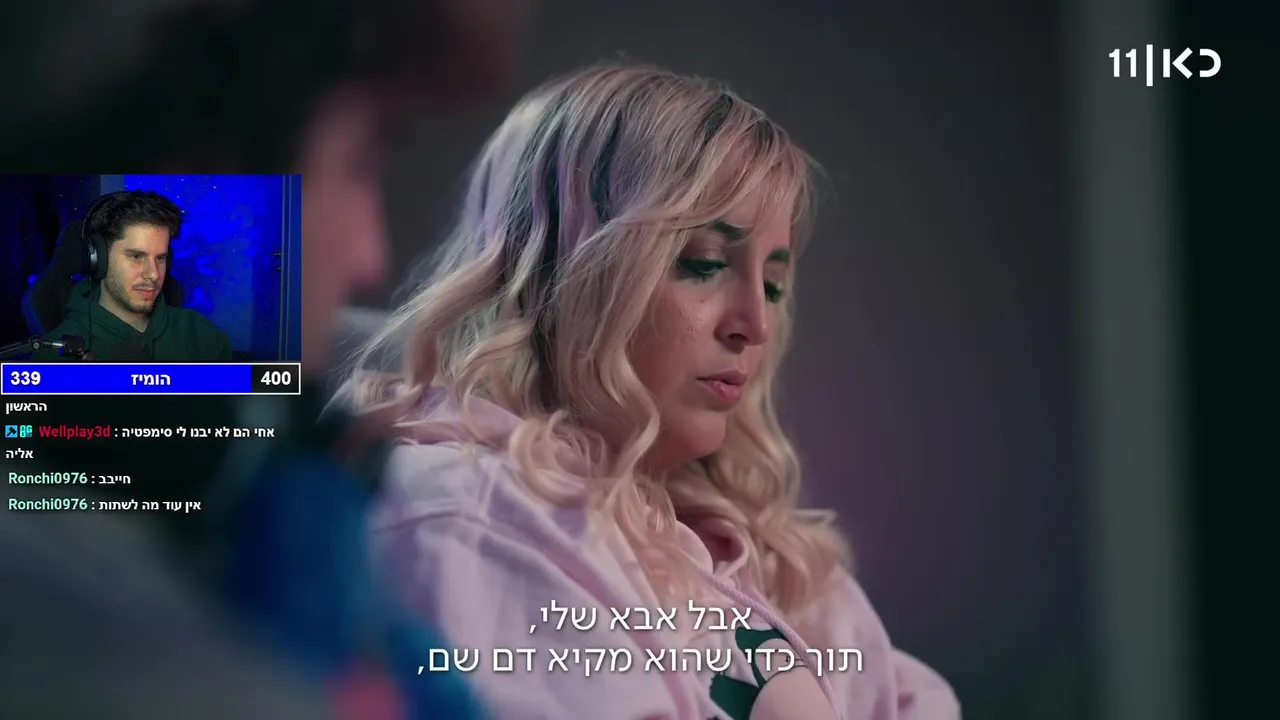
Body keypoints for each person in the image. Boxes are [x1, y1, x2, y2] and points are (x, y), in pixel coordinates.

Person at [341, 64, 960, 719]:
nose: (754, 323)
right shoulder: (474, 516)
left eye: (773, 284)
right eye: (705, 264)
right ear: (568, 271)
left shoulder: (767, 555)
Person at [0, 0, 530, 718]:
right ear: (194, 171)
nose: (372, 256)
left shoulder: (275, 497)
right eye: (363, 160)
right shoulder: (108, 652)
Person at [32, 189, 234, 362]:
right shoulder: (55, 356)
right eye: (136, 256)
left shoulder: (202, 336)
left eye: (160, 258)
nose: (153, 274)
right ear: (98, 259)